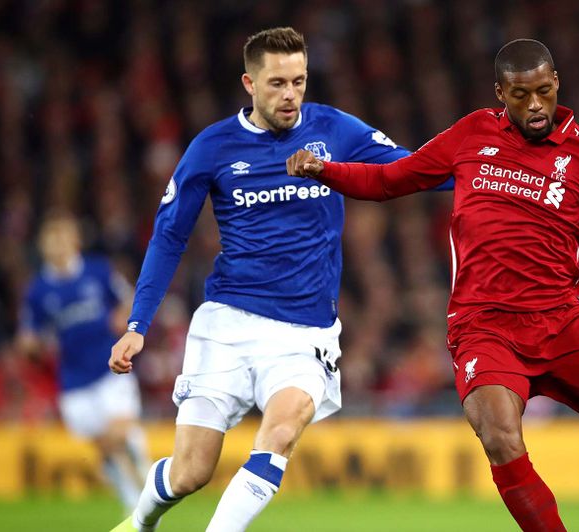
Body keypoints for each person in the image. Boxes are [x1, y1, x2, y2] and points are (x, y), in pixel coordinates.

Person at [287, 38, 579, 532]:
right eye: (521, 95)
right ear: (501, 92)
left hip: (564, 320)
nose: (535, 105)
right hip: (484, 327)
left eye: (543, 90)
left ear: (556, 82)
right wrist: (327, 171)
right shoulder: (471, 134)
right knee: (499, 435)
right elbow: (391, 179)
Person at [108, 27, 449, 532]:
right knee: (190, 473)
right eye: (277, 84)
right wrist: (138, 323)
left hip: (303, 333)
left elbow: (411, 170)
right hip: (227, 325)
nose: (290, 94)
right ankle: (138, 523)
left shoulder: (333, 129)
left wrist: (489, 168)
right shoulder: (213, 147)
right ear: (249, 83)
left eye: (299, 81)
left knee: (281, 435)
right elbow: (168, 237)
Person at [18, 211, 148, 512]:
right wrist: (30, 344)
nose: (57, 245)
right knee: (105, 445)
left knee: (120, 431)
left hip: (111, 368)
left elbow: (130, 298)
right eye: (51, 240)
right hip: (73, 380)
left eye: (62, 237)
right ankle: (132, 501)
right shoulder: (39, 290)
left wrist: (124, 317)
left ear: (75, 241)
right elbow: (29, 335)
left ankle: (142, 470)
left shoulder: (98, 271)